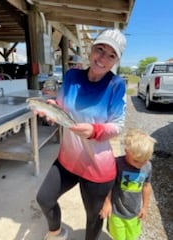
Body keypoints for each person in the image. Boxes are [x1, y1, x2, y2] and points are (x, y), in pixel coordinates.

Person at [36, 28, 127, 240]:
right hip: (68, 159)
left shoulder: (116, 85)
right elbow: (62, 105)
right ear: (91, 49)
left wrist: (94, 131)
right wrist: (53, 109)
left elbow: (118, 125)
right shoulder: (71, 76)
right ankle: (57, 232)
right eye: (100, 49)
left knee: (93, 219)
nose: (102, 58)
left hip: (96, 167)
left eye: (111, 55)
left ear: (115, 61)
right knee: (44, 198)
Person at [99, 128, 156, 240]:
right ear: (126, 151)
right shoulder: (117, 164)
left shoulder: (147, 166)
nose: (140, 165)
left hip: (134, 213)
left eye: (144, 160)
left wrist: (144, 207)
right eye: (136, 161)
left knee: (132, 236)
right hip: (117, 213)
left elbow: (146, 186)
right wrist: (107, 203)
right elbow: (108, 185)